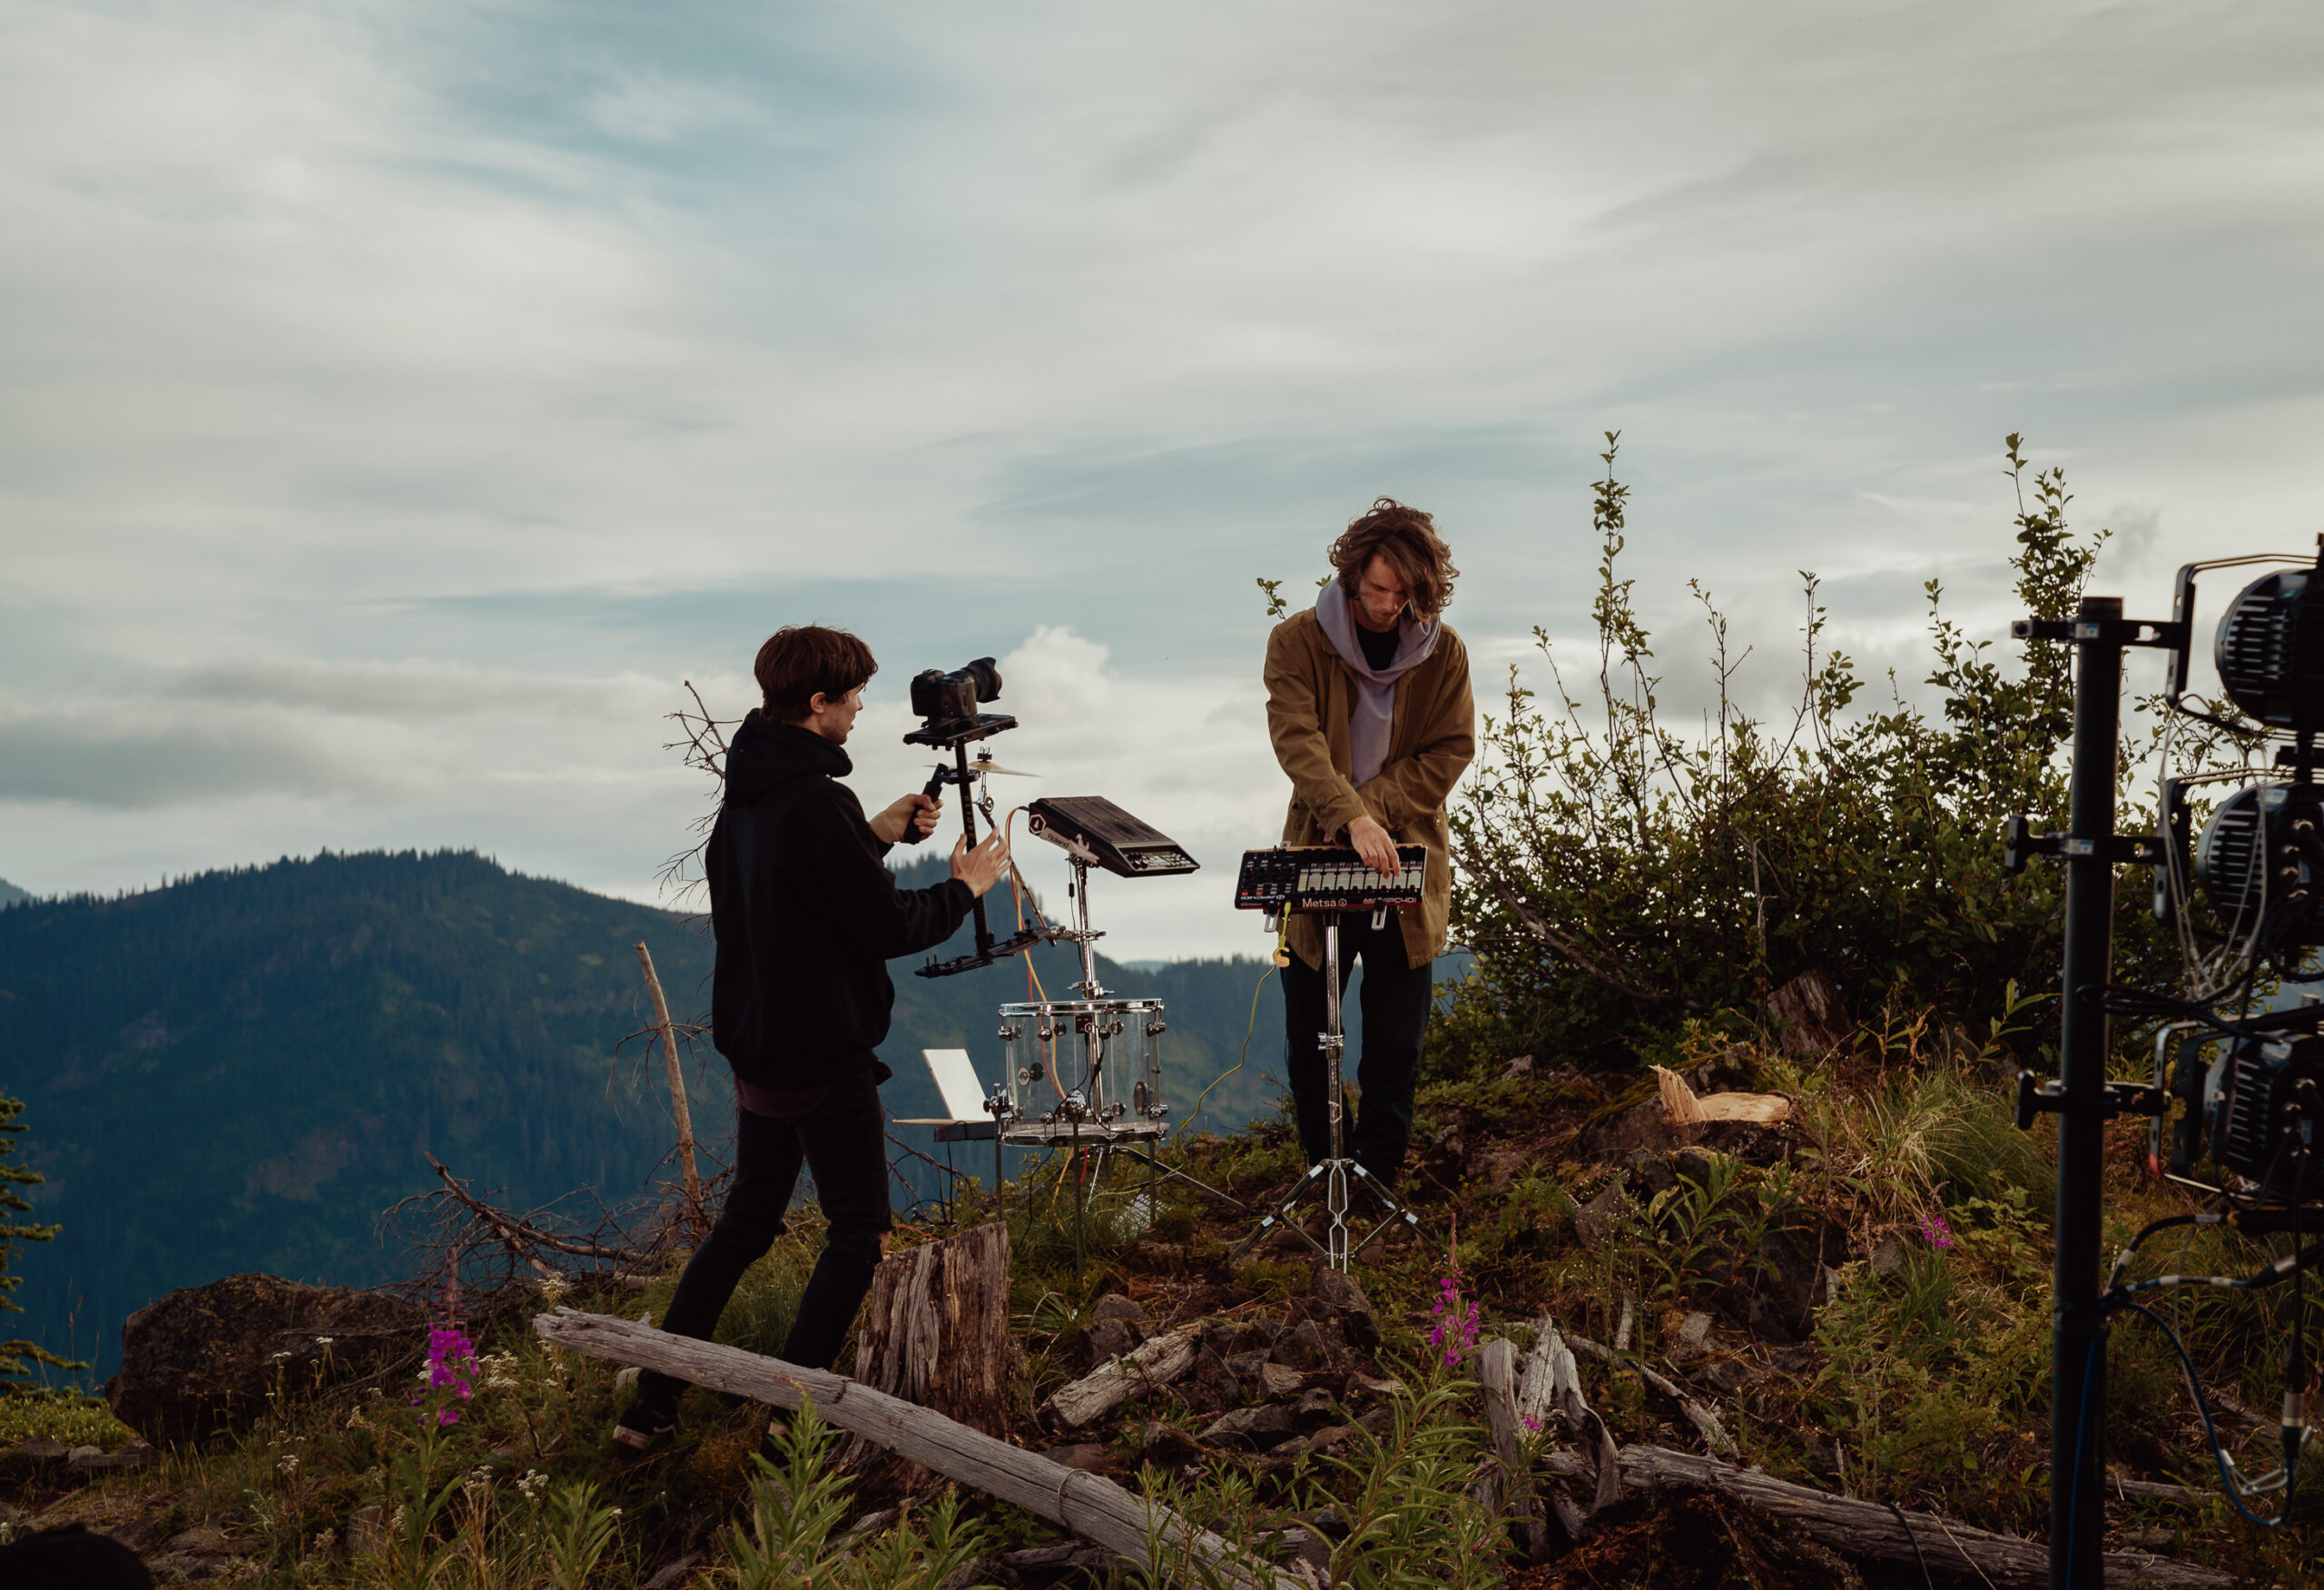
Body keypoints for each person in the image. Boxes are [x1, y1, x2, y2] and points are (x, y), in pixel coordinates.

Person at [615, 624, 1010, 1448]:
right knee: (859, 1233)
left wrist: (873, 834)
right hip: (823, 1053)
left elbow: (791, 893)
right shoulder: (814, 800)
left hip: (758, 1042)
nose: (864, 706)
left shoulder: (753, 792)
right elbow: (879, 924)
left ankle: (651, 1403)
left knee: (744, 1227)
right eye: (855, 694)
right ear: (819, 703)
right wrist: (963, 888)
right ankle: (787, 1424)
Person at [1264, 499, 1473, 1190]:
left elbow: (1451, 750)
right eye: (1376, 589)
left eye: (1402, 593)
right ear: (1352, 576)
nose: (1387, 606)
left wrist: (1372, 813)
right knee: (1308, 1042)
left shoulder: (1445, 654)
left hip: (1405, 866)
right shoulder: (1296, 642)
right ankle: (1327, 1176)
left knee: (1393, 1044)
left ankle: (1376, 1184)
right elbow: (1298, 743)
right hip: (1319, 857)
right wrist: (1347, 817)